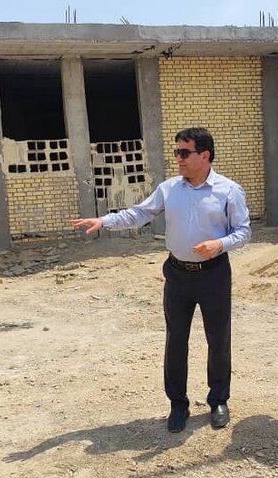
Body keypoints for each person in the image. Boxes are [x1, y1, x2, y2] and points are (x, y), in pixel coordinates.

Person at [71, 127, 250, 433]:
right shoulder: (169, 189)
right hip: (178, 275)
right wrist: (104, 220)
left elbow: (243, 232)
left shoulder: (229, 191)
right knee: (176, 341)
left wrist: (219, 244)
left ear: (205, 155)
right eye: (177, 152)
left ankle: (218, 400)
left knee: (218, 340)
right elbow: (139, 214)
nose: (178, 158)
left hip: (214, 275)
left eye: (184, 152)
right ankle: (178, 405)